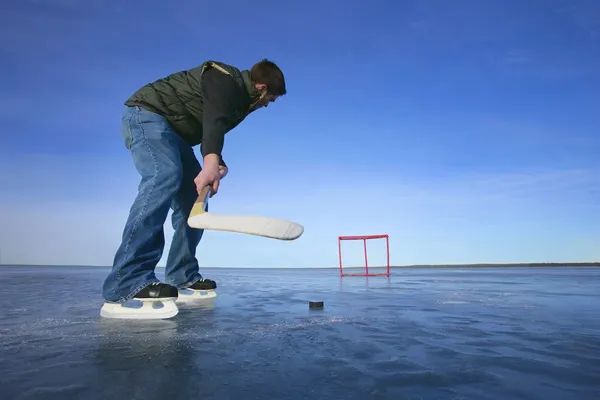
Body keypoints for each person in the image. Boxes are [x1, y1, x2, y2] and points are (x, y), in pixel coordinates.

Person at [100, 59, 286, 318]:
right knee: (164, 175)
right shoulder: (223, 78)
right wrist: (210, 160)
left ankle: (182, 274)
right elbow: (215, 114)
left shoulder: (239, 99)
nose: (267, 105)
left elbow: (213, 126)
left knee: (194, 200)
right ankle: (127, 279)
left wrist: (216, 162)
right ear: (262, 88)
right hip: (147, 115)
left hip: (175, 135)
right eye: (271, 99)